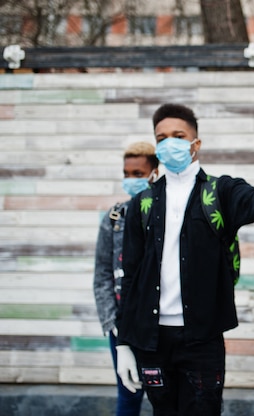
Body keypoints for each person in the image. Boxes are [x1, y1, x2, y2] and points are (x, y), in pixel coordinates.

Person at [115, 103, 254, 415]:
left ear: (196, 144)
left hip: (201, 340)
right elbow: (131, 275)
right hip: (152, 340)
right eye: (161, 138)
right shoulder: (143, 203)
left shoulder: (221, 191)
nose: (169, 143)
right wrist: (124, 341)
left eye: (178, 135)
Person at [93, 141, 158, 416]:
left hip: (159, 323)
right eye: (127, 173)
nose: (131, 180)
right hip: (122, 327)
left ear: (154, 173)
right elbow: (102, 276)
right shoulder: (114, 217)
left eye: (138, 174)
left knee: (165, 397)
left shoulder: (164, 212)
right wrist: (114, 326)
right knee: (128, 394)